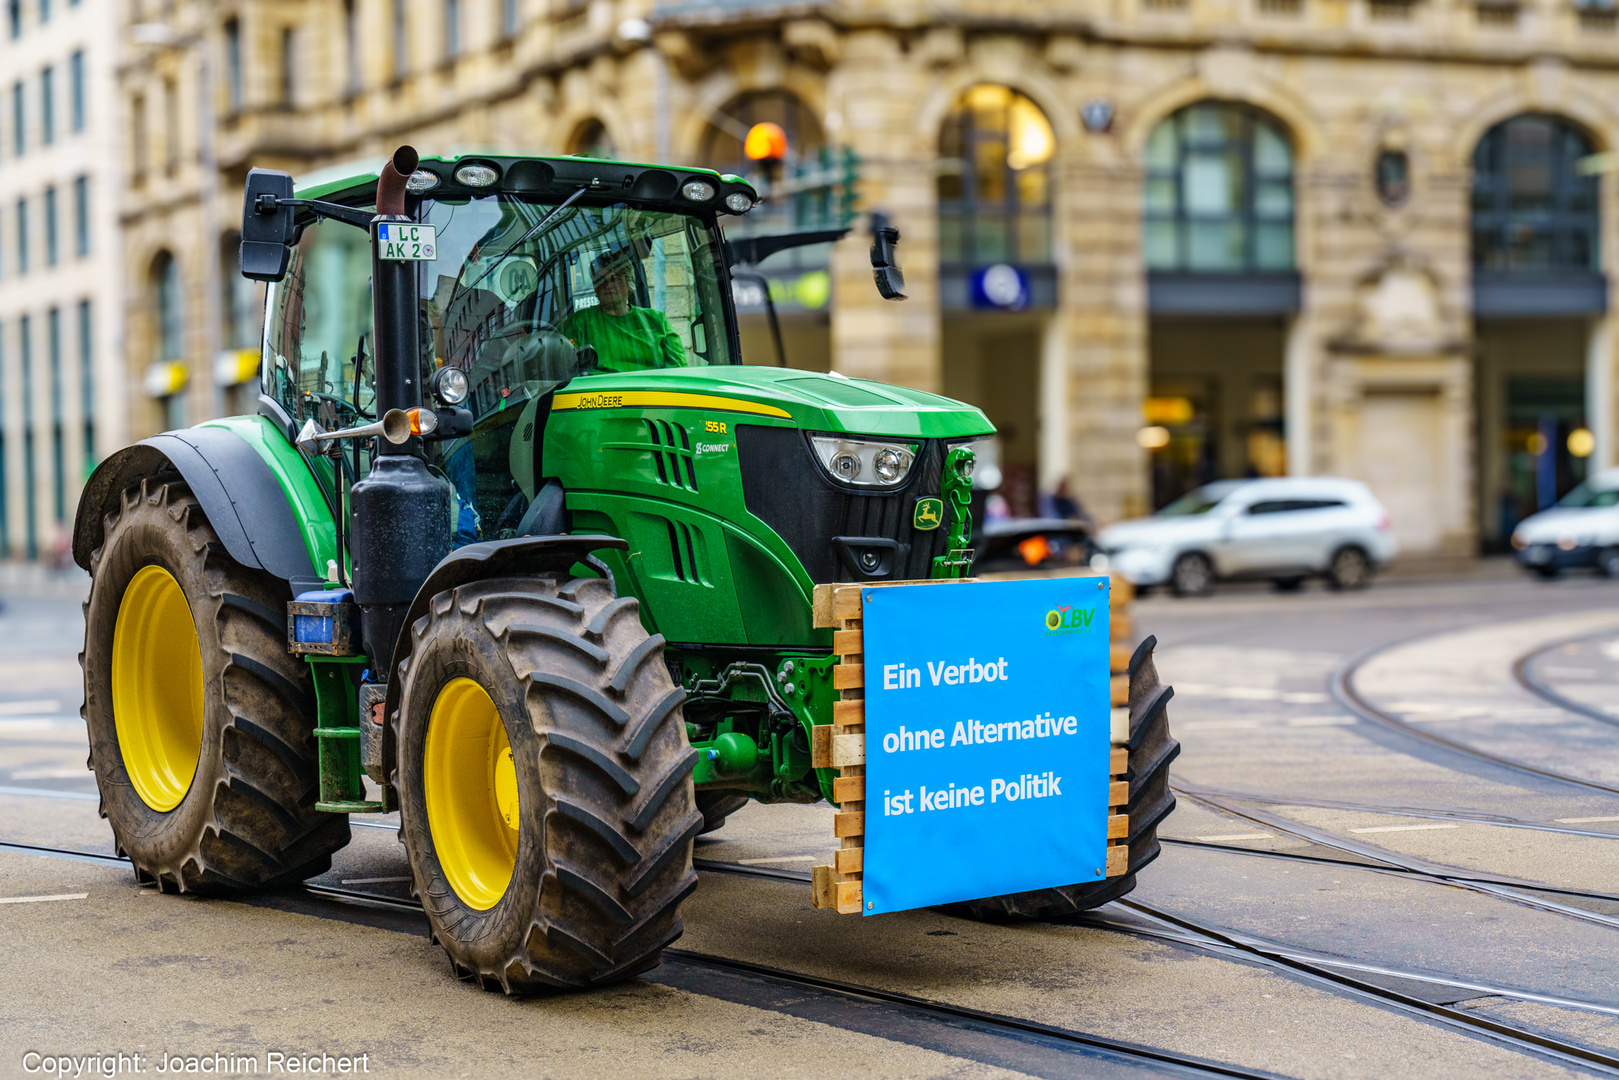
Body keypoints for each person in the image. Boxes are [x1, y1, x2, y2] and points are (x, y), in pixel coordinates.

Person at [560, 250, 686, 371]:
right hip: (600, 392)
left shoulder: (656, 321)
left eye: (615, 279)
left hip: (653, 391)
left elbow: (678, 367)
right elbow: (565, 367)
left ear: (629, 283)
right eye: (601, 279)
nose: (608, 285)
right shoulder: (579, 322)